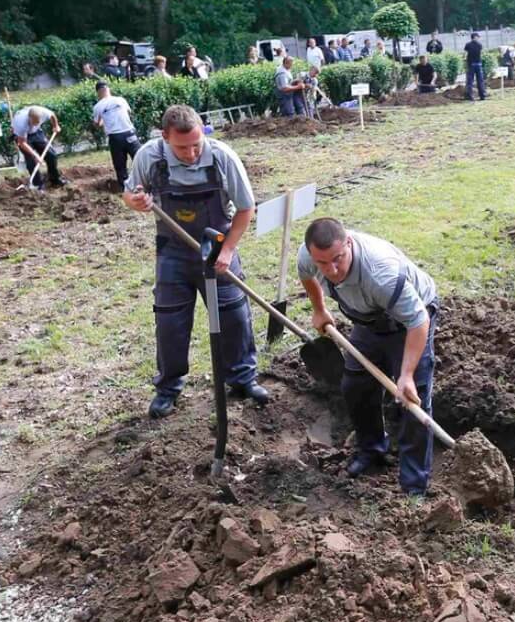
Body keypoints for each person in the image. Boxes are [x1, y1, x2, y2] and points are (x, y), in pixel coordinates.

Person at [122, 104, 268, 418]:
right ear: (165, 137)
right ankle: (168, 388)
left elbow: (246, 208)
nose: (190, 153)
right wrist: (137, 201)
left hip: (217, 245)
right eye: (182, 147)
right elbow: (130, 195)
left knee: (234, 314)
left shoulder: (221, 156)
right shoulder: (150, 157)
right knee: (170, 320)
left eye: (195, 144)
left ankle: (243, 378)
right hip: (173, 249)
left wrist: (228, 250)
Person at [298, 217, 438, 495]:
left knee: (412, 401)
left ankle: (414, 487)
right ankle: (372, 449)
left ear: (348, 242)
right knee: (356, 386)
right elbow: (306, 275)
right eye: (323, 263)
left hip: (409, 322)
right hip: (369, 319)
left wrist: (407, 375)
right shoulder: (310, 256)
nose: (332, 270)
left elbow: (418, 321)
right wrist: (319, 309)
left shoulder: (380, 273)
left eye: (338, 259)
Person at [92, 81, 139, 191]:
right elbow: (129, 113)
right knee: (139, 158)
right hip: (129, 133)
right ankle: (147, 182)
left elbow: (97, 124)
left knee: (120, 164)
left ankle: (126, 189)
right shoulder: (121, 100)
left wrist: (104, 120)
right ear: (108, 89)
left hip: (115, 137)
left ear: (98, 93)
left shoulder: (98, 106)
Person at [11, 104, 65, 190]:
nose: (35, 124)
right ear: (29, 118)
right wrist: (36, 156)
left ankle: (55, 180)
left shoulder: (44, 113)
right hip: (22, 137)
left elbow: (52, 115)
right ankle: (37, 185)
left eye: (38, 122)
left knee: (51, 155)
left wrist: (55, 126)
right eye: (33, 122)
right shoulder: (20, 123)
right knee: (31, 161)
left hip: (37, 133)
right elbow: (22, 143)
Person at [464, 32, 486, 101]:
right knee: (480, 80)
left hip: (471, 64)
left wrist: (465, 61)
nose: (478, 38)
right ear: (474, 37)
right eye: (478, 37)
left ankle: (470, 96)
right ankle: (482, 96)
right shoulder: (479, 45)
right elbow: (481, 54)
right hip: (477, 64)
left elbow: (465, 54)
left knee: (470, 81)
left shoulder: (468, 45)